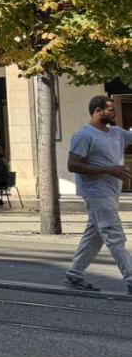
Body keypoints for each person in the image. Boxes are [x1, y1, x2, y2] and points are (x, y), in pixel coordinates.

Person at [63, 95, 132, 295]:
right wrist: (108, 170)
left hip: (111, 193)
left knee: (94, 236)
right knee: (114, 235)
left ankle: (74, 275)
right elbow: (73, 165)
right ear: (97, 111)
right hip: (95, 193)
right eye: (111, 110)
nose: (115, 113)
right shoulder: (84, 136)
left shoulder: (116, 133)